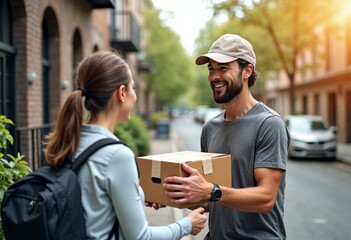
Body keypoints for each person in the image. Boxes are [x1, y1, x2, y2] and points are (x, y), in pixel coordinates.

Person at [43, 50, 207, 239]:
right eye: (133, 88)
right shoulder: (116, 155)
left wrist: (139, 194)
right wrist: (186, 224)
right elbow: (140, 237)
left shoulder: (69, 140)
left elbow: (92, 203)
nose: (135, 95)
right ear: (122, 93)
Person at [163, 34, 290, 239]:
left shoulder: (269, 124)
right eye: (211, 69)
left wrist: (210, 191)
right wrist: (170, 196)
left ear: (247, 71)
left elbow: (266, 198)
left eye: (223, 68)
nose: (214, 76)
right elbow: (211, 197)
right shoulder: (210, 128)